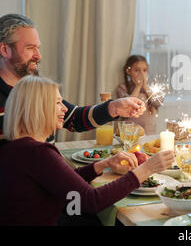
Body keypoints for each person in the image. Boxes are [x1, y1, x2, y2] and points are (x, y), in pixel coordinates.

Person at [0, 75, 175, 225]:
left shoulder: (15, 147)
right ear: (38, 108)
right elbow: (91, 201)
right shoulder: (38, 153)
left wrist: (102, 165)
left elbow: (64, 183)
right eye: (58, 103)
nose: (64, 109)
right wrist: (146, 169)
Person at [0, 14, 145, 140]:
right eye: (30, 48)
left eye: (38, 48)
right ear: (5, 50)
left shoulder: (37, 87)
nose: (39, 56)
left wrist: (114, 107)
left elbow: (74, 119)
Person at [117, 55, 161, 135]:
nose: (141, 74)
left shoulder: (151, 88)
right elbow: (127, 104)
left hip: (149, 129)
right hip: (130, 129)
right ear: (128, 71)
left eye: (144, 70)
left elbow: (158, 103)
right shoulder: (123, 87)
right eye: (137, 70)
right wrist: (138, 86)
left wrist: (145, 87)